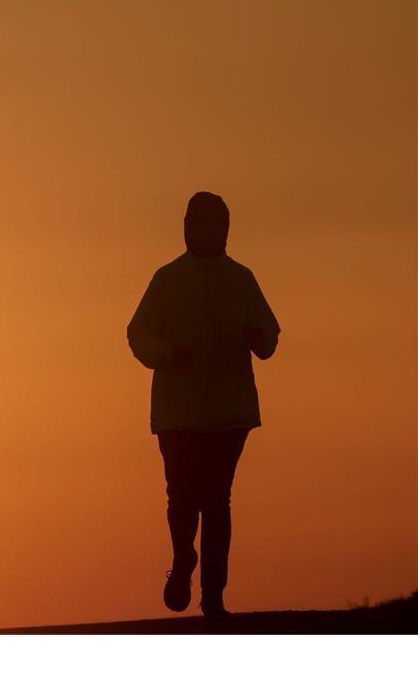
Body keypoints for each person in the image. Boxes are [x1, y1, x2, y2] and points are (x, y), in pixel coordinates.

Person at [127, 192, 280, 618]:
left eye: (220, 224)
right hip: (178, 412)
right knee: (181, 497)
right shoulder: (168, 279)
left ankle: (213, 595)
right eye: (204, 223)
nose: (213, 232)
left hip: (230, 413)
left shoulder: (241, 279)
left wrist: (258, 338)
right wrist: (167, 353)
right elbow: (138, 333)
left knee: (216, 500)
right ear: (188, 227)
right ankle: (182, 561)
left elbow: (269, 334)